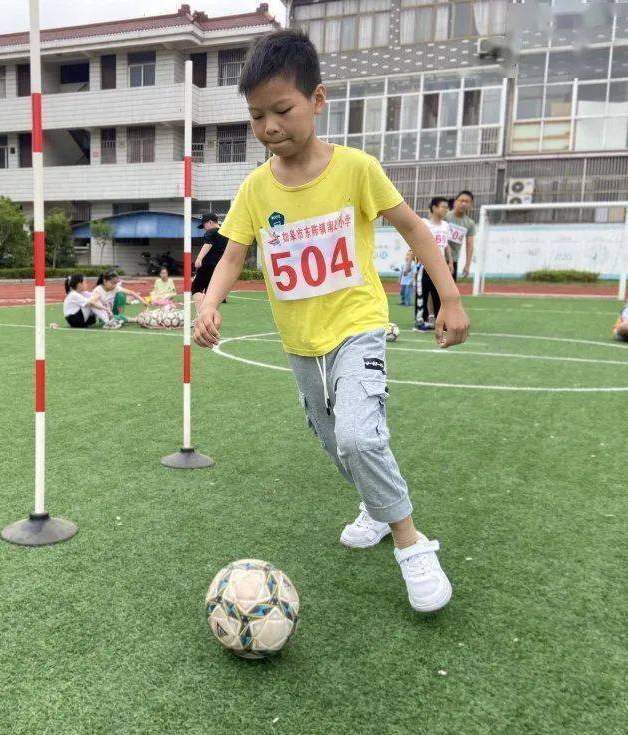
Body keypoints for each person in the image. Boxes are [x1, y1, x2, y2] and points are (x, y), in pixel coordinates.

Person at [193, 30, 469, 613]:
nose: (269, 126)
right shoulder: (254, 188)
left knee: (358, 434)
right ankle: (374, 504)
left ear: (317, 99)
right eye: (256, 115)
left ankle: (412, 542)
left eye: (282, 109)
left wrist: (449, 298)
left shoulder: (356, 170)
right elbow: (234, 252)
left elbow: (415, 229)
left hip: (357, 325)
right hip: (300, 343)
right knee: (331, 440)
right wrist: (208, 302)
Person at [414, 197, 452, 332]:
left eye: (447, 208)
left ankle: (438, 320)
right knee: (422, 293)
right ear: (434, 208)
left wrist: (450, 262)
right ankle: (421, 320)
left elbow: (446, 246)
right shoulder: (424, 224)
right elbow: (417, 242)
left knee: (439, 294)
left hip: (440, 267)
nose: (446, 210)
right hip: (425, 266)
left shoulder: (446, 226)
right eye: (443, 207)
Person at [192, 213, 229, 312]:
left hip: (207, 265)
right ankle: (210, 318)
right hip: (219, 266)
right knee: (211, 293)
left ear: (210, 222)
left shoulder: (211, 232)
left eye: (204, 225)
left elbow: (208, 244)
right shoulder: (226, 233)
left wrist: (199, 258)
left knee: (196, 289)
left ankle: (199, 317)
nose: (204, 228)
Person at [445, 190, 477, 279]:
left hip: (453, 261)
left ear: (471, 205)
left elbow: (469, 245)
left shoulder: (470, 223)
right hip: (437, 258)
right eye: (461, 200)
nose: (463, 204)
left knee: (449, 292)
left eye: (467, 202)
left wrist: (467, 265)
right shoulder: (445, 216)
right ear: (455, 202)